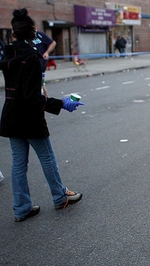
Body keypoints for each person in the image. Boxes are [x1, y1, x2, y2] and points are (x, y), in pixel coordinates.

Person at [0, 8, 85, 222]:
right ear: (33, 34)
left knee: (18, 164)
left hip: (11, 116)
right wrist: (62, 104)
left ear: (14, 34)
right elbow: (31, 97)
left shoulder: (8, 55)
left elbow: (20, 90)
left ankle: (21, 208)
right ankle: (59, 196)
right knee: (47, 158)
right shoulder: (31, 58)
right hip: (29, 118)